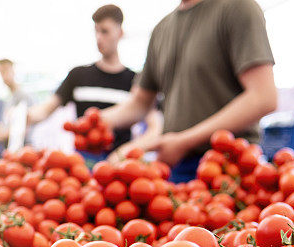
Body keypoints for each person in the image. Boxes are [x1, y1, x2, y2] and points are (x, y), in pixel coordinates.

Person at [102, 0, 278, 182]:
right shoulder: (162, 29)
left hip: (231, 167)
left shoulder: (238, 8)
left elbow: (263, 97)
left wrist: (184, 141)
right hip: (176, 167)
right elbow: (139, 102)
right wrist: (97, 120)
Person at [26, 4, 162, 153]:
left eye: (105, 31)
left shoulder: (136, 81)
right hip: (82, 160)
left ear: (120, 33)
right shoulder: (77, 75)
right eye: (96, 31)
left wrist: (127, 151)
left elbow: (155, 126)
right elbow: (45, 109)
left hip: (118, 163)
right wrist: (25, 116)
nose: (99, 38)